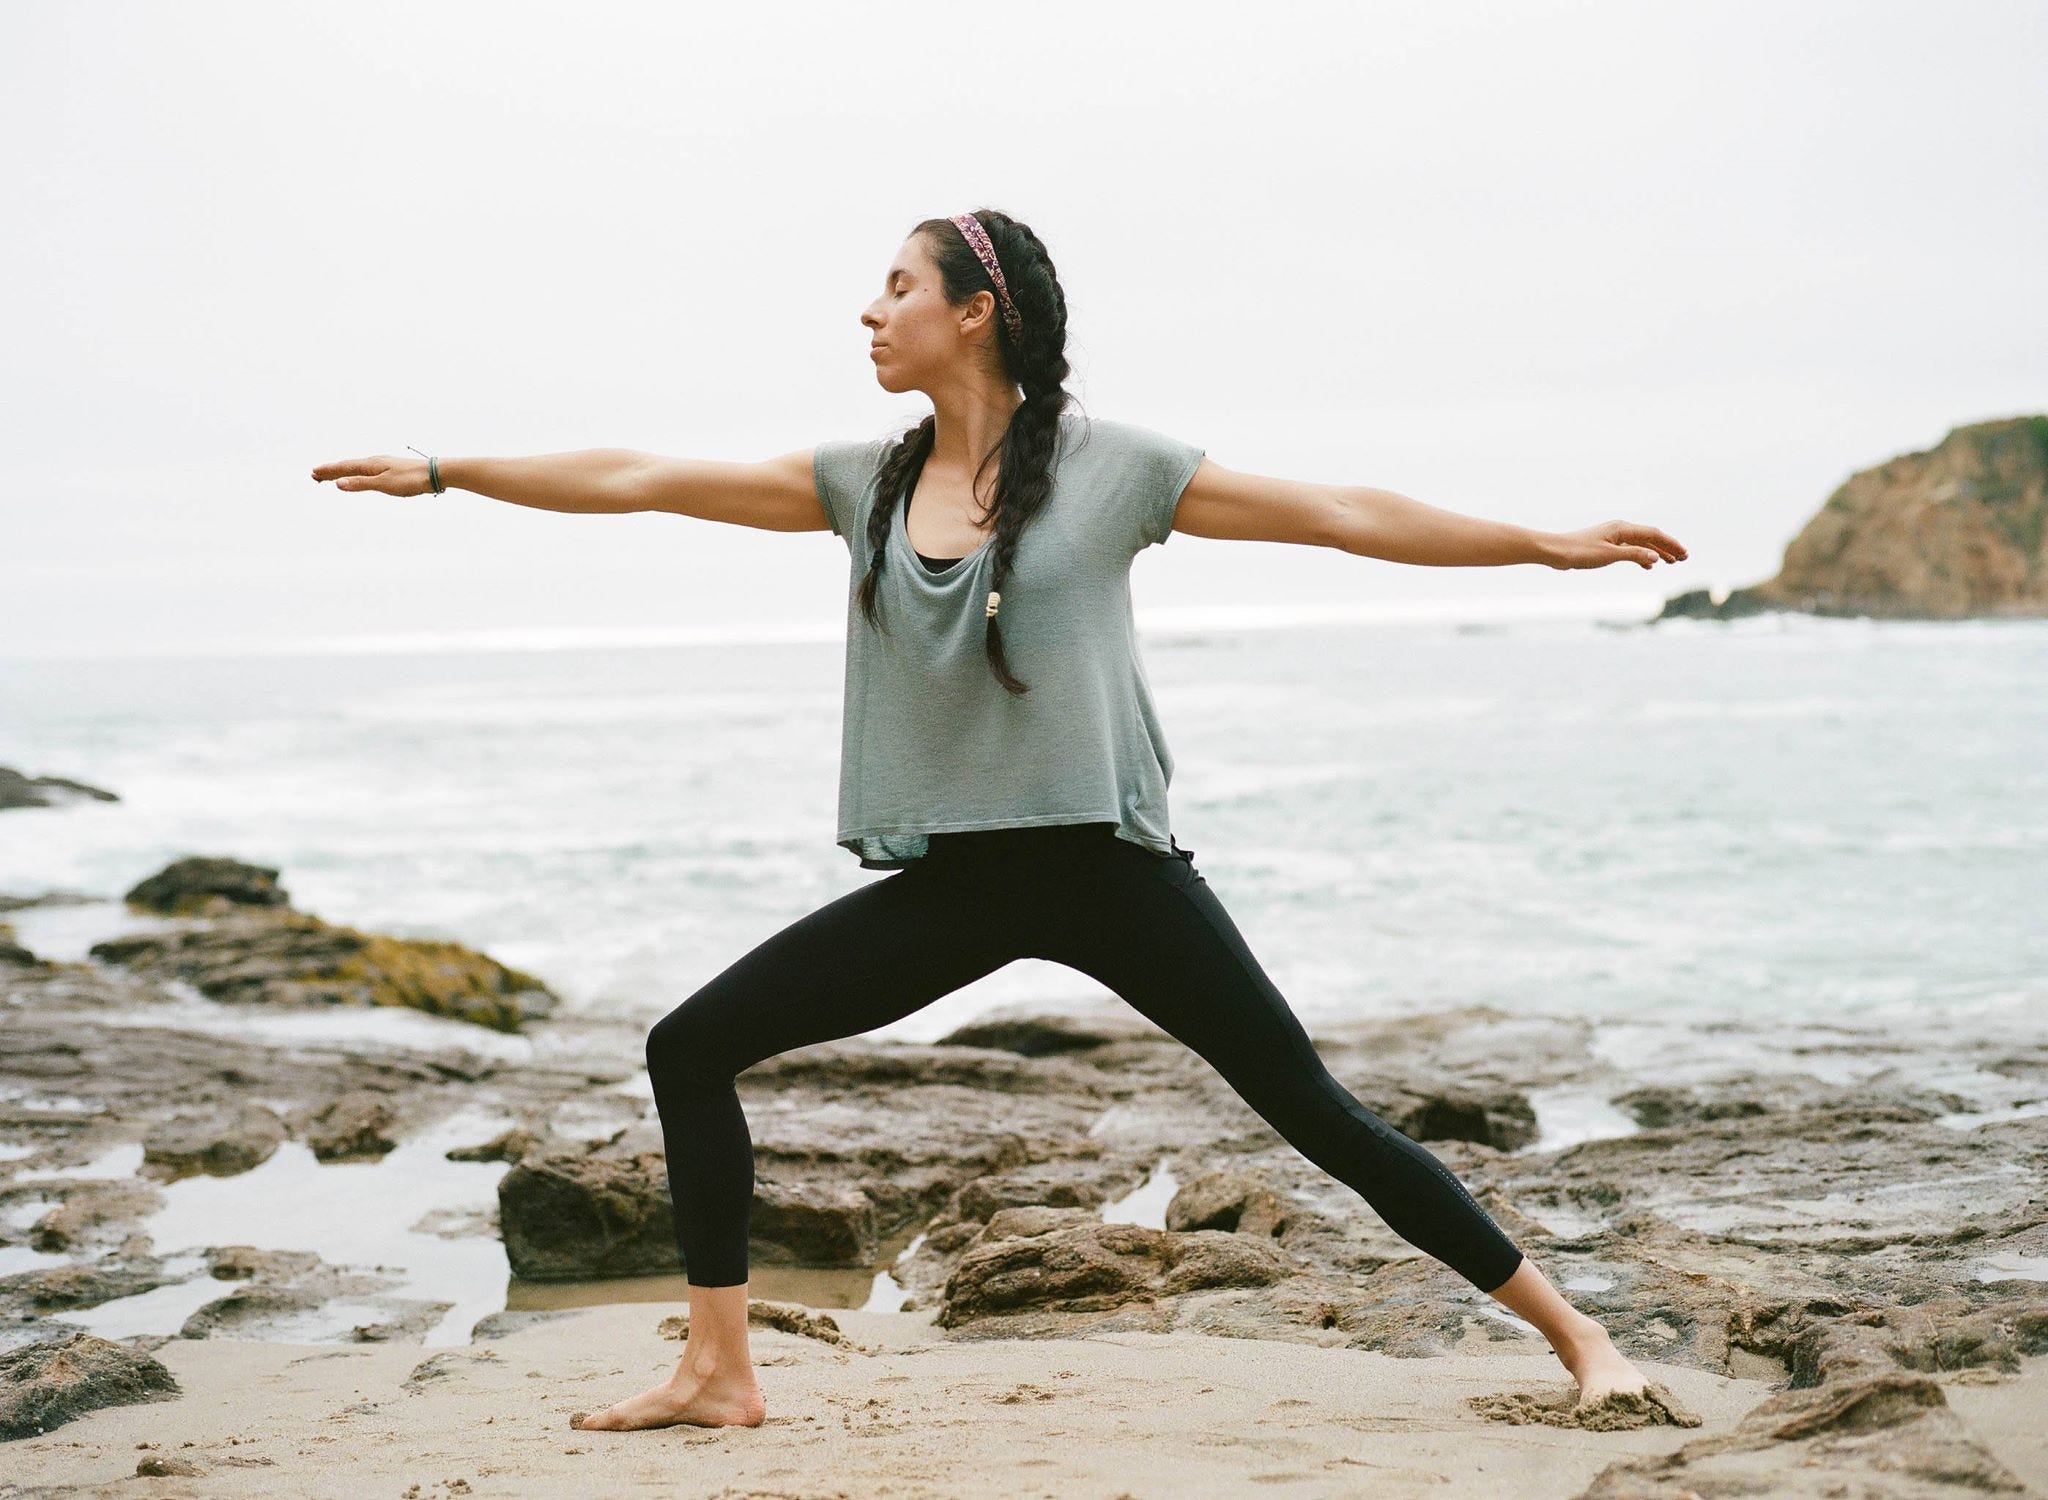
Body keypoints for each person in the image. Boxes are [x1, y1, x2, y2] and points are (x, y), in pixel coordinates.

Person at [311, 207, 1689, 1435]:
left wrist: (1545, 542)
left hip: (1110, 870)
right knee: (693, 1047)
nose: (870, 310)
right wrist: (450, 470)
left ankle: (1584, 1341)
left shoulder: (1119, 467)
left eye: (897, 286)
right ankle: (719, 1372)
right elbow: (641, 477)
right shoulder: (860, 482)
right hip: (958, 883)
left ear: (977, 312)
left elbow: (1339, 512)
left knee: (1315, 1111)